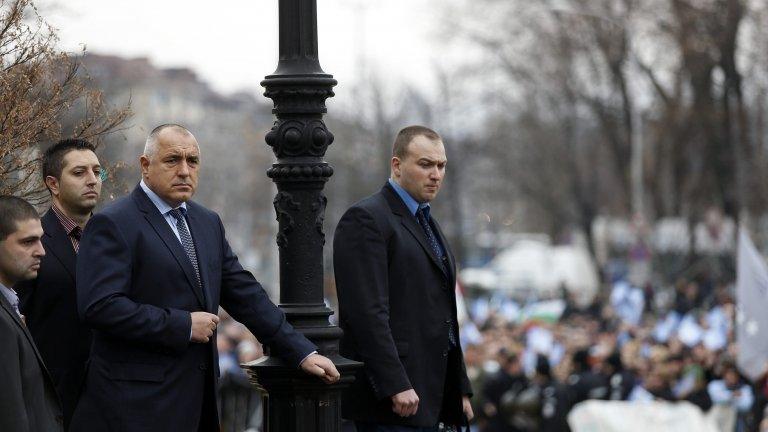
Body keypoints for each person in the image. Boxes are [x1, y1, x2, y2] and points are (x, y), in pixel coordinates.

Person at [70, 124, 339, 432]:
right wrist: (182, 325)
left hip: (198, 405)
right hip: (133, 409)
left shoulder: (206, 222)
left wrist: (300, 350)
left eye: (192, 161)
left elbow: (244, 293)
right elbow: (100, 307)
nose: (184, 170)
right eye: (173, 160)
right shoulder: (114, 222)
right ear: (145, 166)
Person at [334, 125, 473, 431]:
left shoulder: (428, 222)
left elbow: (445, 315)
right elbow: (367, 313)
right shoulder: (366, 219)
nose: (435, 174)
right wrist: (394, 383)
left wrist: (459, 387)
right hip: (391, 404)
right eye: (425, 164)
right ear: (397, 165)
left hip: (432, 398)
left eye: (441, 166)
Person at [16, 138, 102, 429]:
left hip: (112, 403)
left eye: (97, 171)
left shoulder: (117, 240)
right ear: (53, 184)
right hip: (51, 405)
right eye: (79, 172)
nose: (92, 180)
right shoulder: (32, 242)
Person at [0, 195, 63, 431]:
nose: (41, 252)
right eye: (28, 242)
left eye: (40, 240)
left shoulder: (10, 305)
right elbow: (10, 414)